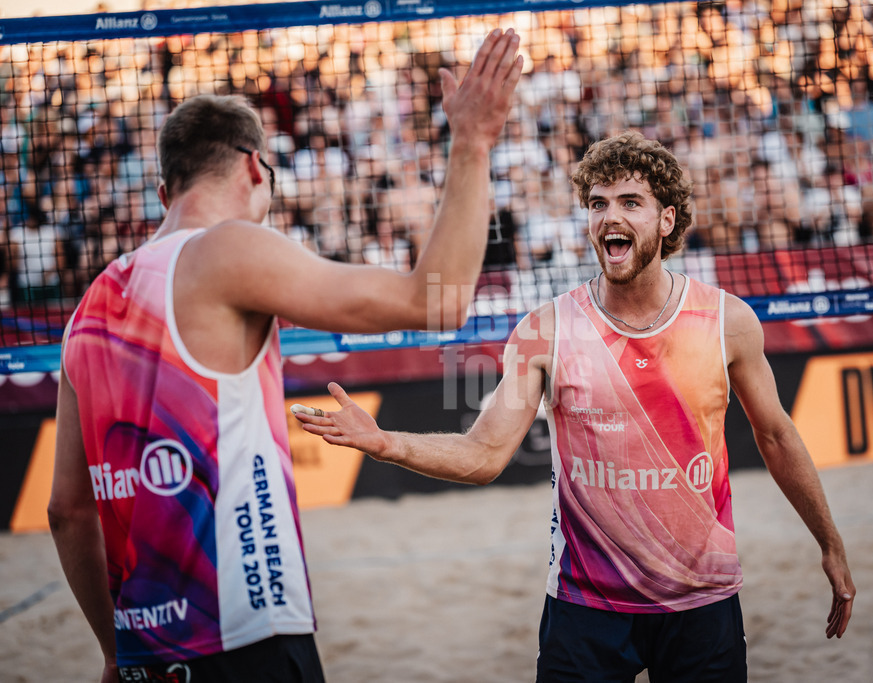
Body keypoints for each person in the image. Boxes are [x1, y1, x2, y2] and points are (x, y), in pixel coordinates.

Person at [47, 29, 522, 683]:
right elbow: (435, 304)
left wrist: (112, 649)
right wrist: (473, 142)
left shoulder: (87, 311)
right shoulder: (230, 248)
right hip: (248, 637)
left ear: (164, 193)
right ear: (252, 167)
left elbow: (67, 512)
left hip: (147, 654)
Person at [293, 131, 856, 681]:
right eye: (597, 203)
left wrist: (830, 543)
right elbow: (483, 453)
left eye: (630, 202)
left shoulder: (728, 322)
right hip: (585, 608)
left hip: (701, 601)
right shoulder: (544, 330)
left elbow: (777, 436)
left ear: (666, 220)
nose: (610, 216)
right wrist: (385, 442)